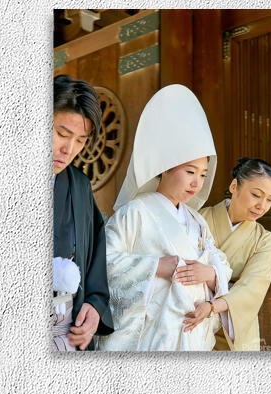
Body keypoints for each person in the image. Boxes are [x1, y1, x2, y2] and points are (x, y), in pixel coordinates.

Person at [98, 84, 232, 352]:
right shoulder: (134, 213)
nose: (197, 182)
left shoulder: (197, 220)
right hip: (152, 340)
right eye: (190, 171)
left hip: (193, 336)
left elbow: (221, 263)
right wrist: (155, 267)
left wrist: (212, 274)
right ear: (166, 168)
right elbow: (104, 262)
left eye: (203, 174)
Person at [52, 75, 115, 351]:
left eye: (80, 140)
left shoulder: (79, 185)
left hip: (65, 333)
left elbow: (95, 258)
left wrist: (94, 304)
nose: (69, 150)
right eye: (62, 134)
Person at [198, 158, 271, 351]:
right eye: (256, 195)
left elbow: (251, 288)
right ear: (234, 186)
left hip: (233, 334)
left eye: (269, 199)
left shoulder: (265, 241)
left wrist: (211, 306)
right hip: (192, 321)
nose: (262, 206)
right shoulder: (198, 219)